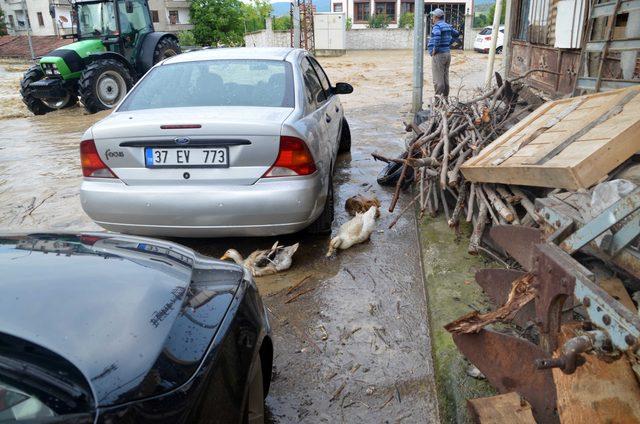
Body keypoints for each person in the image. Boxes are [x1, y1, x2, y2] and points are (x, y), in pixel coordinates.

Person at [427, 8, 460, 97]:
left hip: (439, 55)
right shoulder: (448, 26)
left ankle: (438, 103)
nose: (432, 18)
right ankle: (445, 100)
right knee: (445, 79)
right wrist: (449, 43)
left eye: (433, 16)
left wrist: (435, 49)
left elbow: (437, 36)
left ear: (436, 17)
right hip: (447, 54)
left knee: (438, 80)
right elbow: (457, 34)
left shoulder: (437, 26)